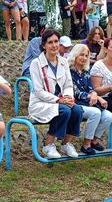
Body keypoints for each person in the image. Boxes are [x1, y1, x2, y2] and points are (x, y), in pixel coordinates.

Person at [28, 30, 83, 159]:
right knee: (64, 111)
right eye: (50, 42)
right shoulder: (36, 63)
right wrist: (59, 100)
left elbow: (68, 85)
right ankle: (48, 144)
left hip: (61, 101)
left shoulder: (63, 61)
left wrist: (68, 97)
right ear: (44, 45)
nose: (54, 45)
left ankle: (66, 143)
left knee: (77, 110)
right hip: (41, 103)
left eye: (56, 41)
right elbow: (38, 91)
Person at [69, 43, 112, 154]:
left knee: (109, 116)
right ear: (75, 55)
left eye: (86, 55)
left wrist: (96, 96)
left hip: (88, 102)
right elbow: (75, 92)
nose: (84, 58)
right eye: (81, 55)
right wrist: (94, 96)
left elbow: (91, 88)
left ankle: (93, 140)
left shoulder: (86, 72)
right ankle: (86, 144)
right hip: (75, 103)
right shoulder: (68, 71)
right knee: (96, 113)